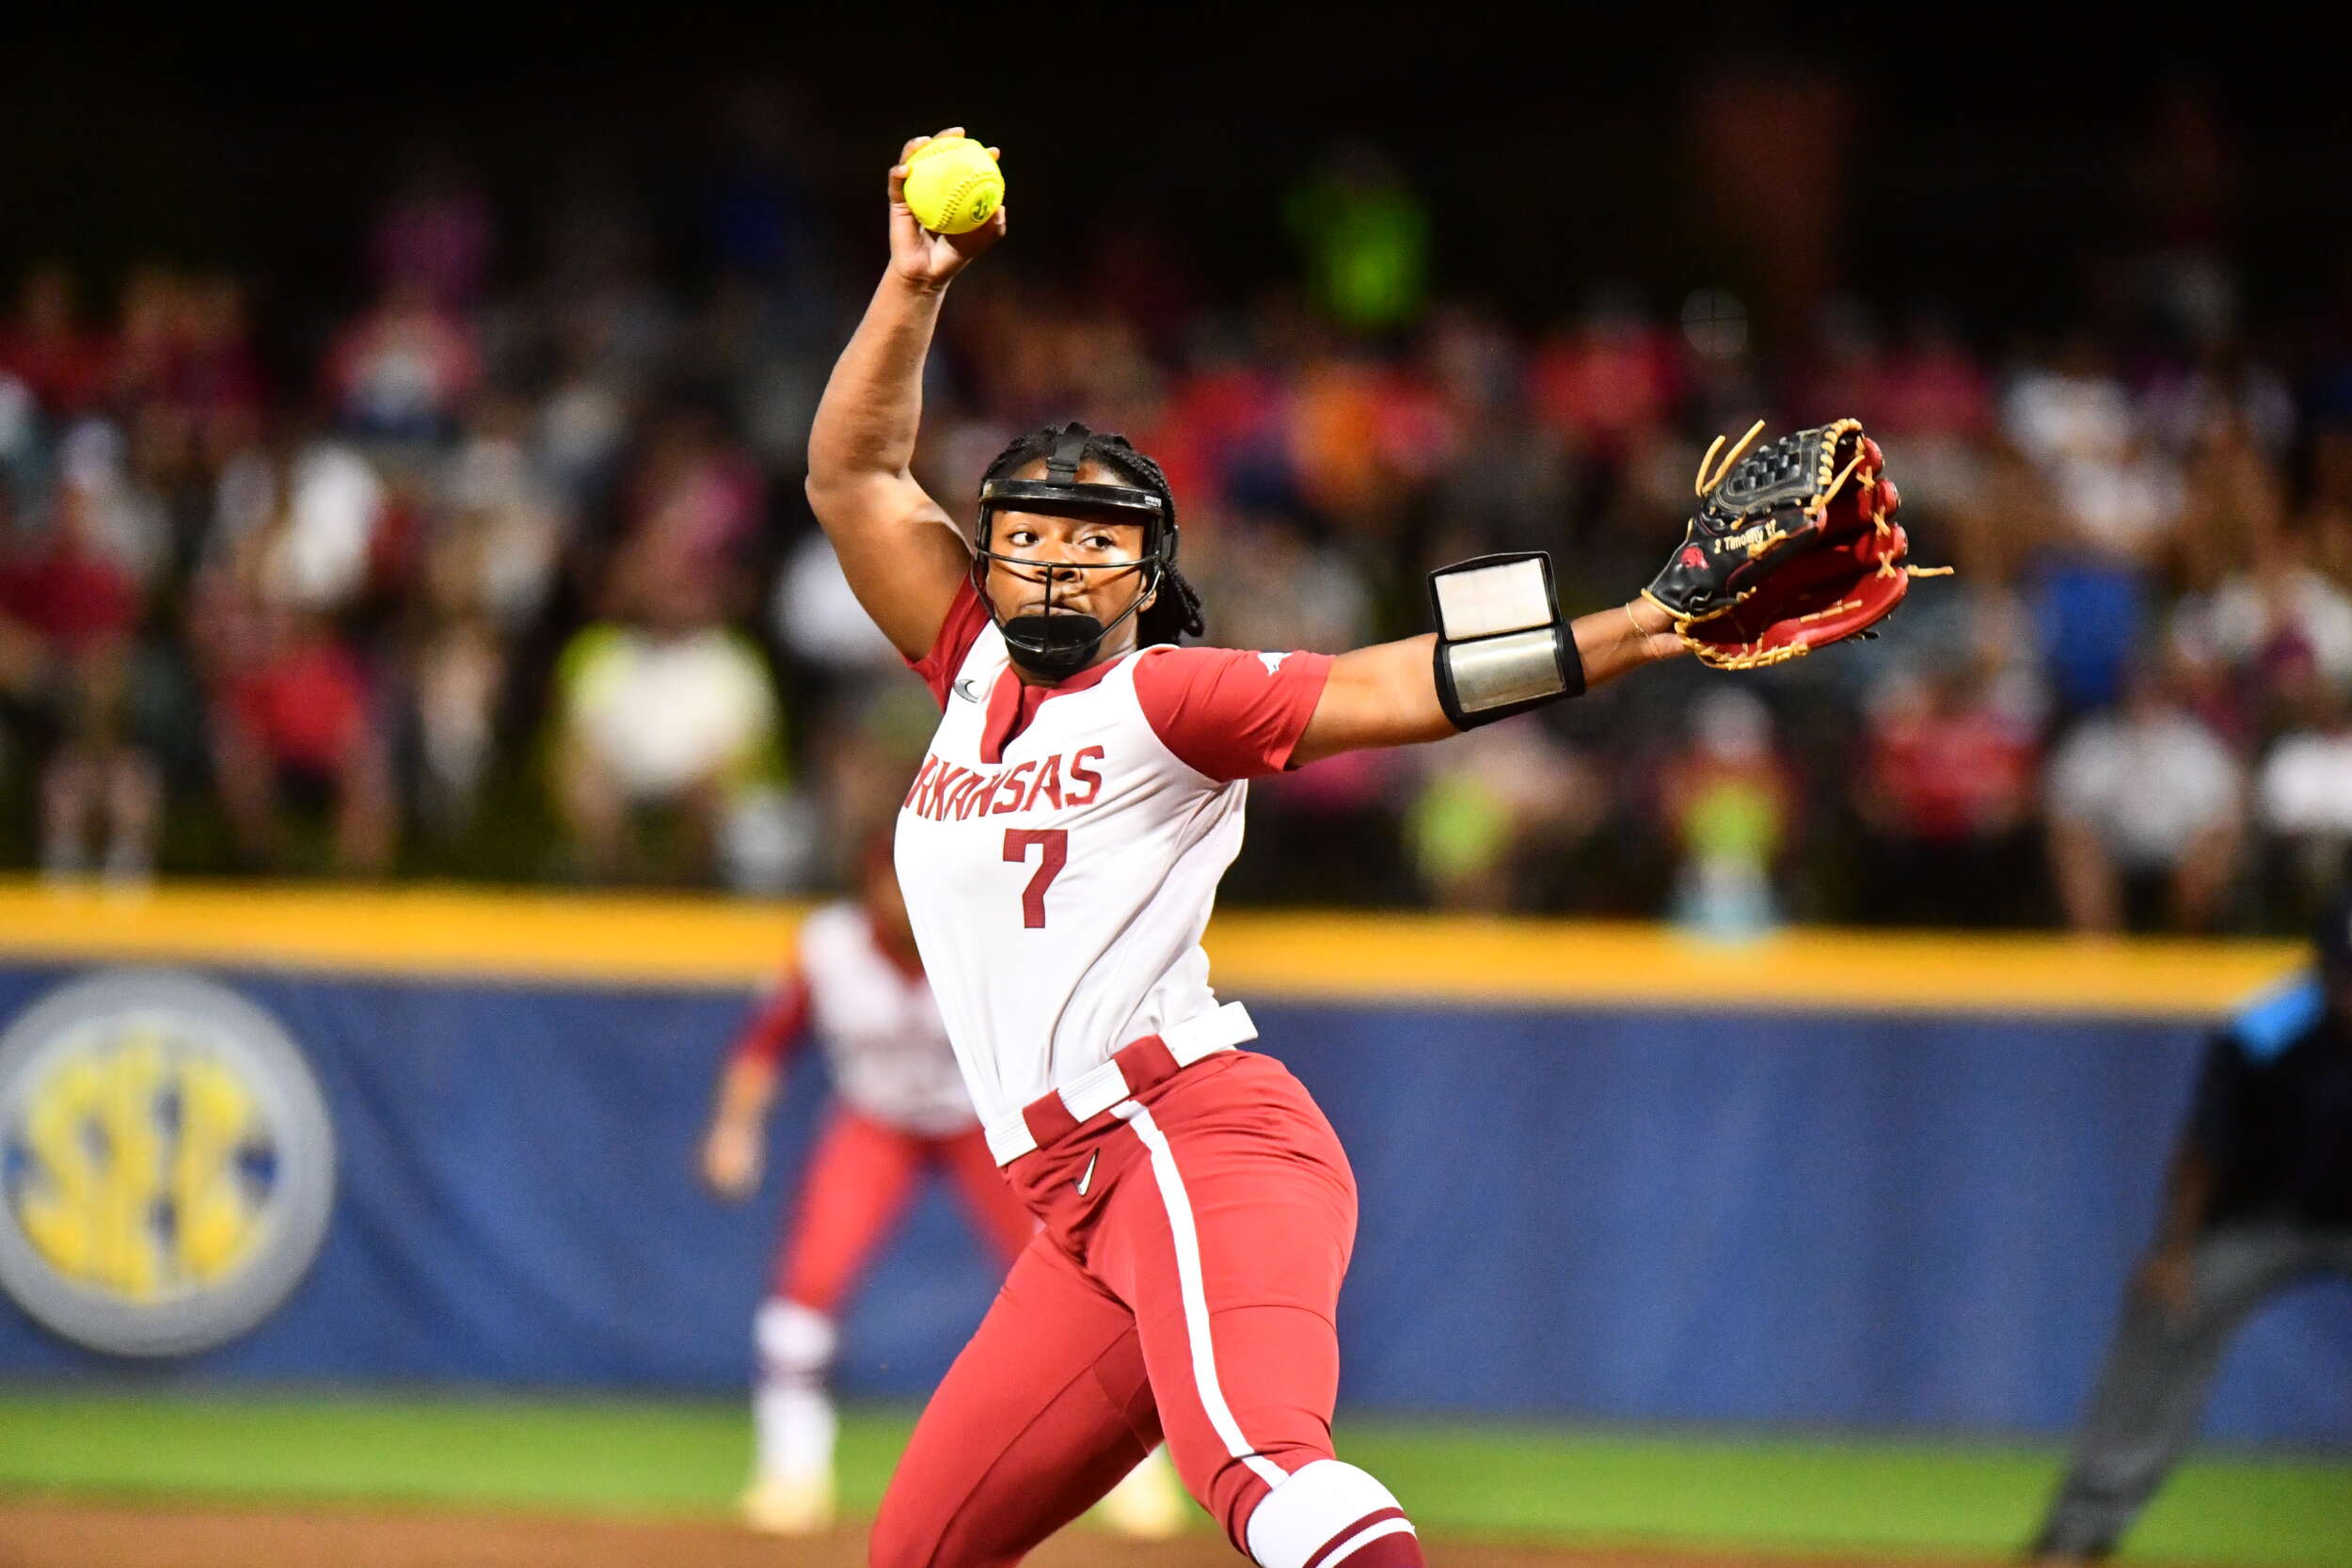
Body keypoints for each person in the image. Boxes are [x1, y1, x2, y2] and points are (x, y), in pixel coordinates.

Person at [805, 129, 1732, 1568]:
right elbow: (856, 478)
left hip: (1183, 1138)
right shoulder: (971, 668)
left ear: (1150, 572)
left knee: (1257, 1468)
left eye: (1093, 537)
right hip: (1077, 1209)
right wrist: (913, 287)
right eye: (1028, 530)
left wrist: (1645, 623)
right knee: (916, 1552)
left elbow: (1394, 682)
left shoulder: (1166, 692)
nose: (1054, 557)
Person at [699, 837, 1184, 1539]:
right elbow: (765, 1043)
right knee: (807, 1285)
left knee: (1088, 1283)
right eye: (888, 883)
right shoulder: (829, 945)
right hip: (876, 1118)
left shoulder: (991, 936)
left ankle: (1136, 1477)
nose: (902, 898)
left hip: (984, 1125)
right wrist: (733, 1128)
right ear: (868, 887)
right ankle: (791, 1473)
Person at [2028, 880, 2352, 1563]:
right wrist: (2172, 1251)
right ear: (2320, 965)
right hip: (2266, 1219)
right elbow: (2205, 1144)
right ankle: (2081, 1527)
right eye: (2344, 975)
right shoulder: (2270, 1023)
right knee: (2166, 1308)